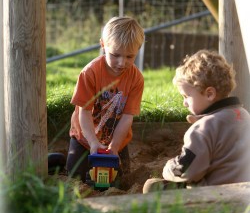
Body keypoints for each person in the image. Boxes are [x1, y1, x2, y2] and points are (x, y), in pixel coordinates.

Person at [143, 49, 250, 193]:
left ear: (209, 94)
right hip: (245, 194)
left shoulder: (203, 128)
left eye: (186, 96)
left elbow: (188, 170)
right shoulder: (243, 115)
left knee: (151, 186)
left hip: (215, 197)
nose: (184, 103)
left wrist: (168, 168)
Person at [66, 16, 145, 185]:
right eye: (115, 55)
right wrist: (93, 143)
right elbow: (84, 112)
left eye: (130, 56)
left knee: (121, 180)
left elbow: (127, 117)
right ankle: (60, 162)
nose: (122, 63)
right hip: (84, 137)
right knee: (75, 177)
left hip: (115, 139)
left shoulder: (136, 78)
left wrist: (115, 147)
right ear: (103, 45)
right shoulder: (90, 73)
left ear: (138, 50)